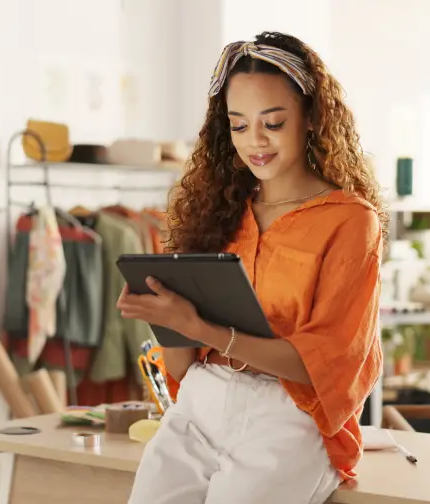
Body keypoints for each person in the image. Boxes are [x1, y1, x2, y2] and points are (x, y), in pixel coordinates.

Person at [117, 31, 387, 504]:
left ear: (310, 118)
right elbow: (182, 365)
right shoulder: (215, 211)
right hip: (198, 406)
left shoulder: (349, 220)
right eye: (238, 126)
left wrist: (202, 327)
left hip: (286, 416)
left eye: (273, 122)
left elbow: (324, 363)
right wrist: (167, 320)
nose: (254, 142)